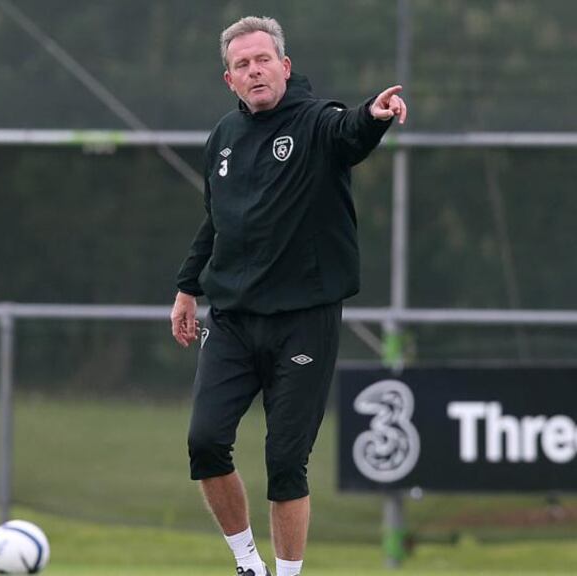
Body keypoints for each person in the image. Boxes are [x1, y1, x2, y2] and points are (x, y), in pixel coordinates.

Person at [170, 15, 406, 576]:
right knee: (204, 444)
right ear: (229, 79)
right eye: (242, 65)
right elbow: (215, 221)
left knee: (285, 461)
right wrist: (186, 286)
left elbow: (348, 131)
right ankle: (248, 565)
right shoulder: (223, 138)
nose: (255, 71)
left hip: (303, 321)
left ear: (285, 65)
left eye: (262, 60)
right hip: (231, 319)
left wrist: (374, 116)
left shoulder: (315, 122)